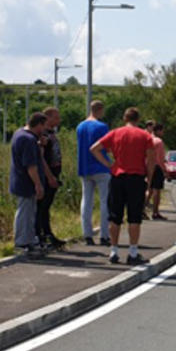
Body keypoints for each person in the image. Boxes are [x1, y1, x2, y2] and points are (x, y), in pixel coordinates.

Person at [90, 106, 155, 265]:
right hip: (136, 178)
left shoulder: (115, 133)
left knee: (115, 216)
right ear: (138, 119)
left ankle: (114, 251)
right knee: (134, 216)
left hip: (118, 176)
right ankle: (133, 252)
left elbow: (94, 149)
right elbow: (151, 161)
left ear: (125, 119)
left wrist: (109, 164)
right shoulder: (145, 135)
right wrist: (149, 180)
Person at [10, 112, 47, 257]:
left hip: (20, 180)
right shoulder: (28, 140)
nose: (44, 130)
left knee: (29, 212)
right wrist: (38, 184)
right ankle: (21, 242)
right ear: (39, 125)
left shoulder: (19, 134)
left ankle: (29, 240)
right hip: (26, 182)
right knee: (25, 213)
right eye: (43, 126)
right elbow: (31, 165)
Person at [77, 100, 111, 246]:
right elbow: (107, 147)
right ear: (100, 110)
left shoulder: (80, 126)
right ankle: (104, 235)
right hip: (101, 166)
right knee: (104, 201)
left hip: (84, 166)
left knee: (86, 201)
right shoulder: (102, 127)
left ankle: (87, 234)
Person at [35, 107, 64, 249]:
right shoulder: (44, 135)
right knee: (41, 207)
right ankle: (40, 235)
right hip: (47, 176)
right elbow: (41, 158)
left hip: (53, 174)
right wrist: (50, 176)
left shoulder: (52, 133)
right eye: (56, 117)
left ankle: (47, 233)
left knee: (46, 207)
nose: (59, 120)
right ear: (48, 118)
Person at [145, 122, 168, 220]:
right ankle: (155, 212)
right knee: (156, 191)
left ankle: (141, 210)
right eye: (162, 131)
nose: (163, 133)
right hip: (157, 167)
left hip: (146, 165)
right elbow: (160, 158)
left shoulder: (147, 139)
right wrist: (165, 170)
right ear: (158, 131)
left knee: (148, 189)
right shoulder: (158, 141)